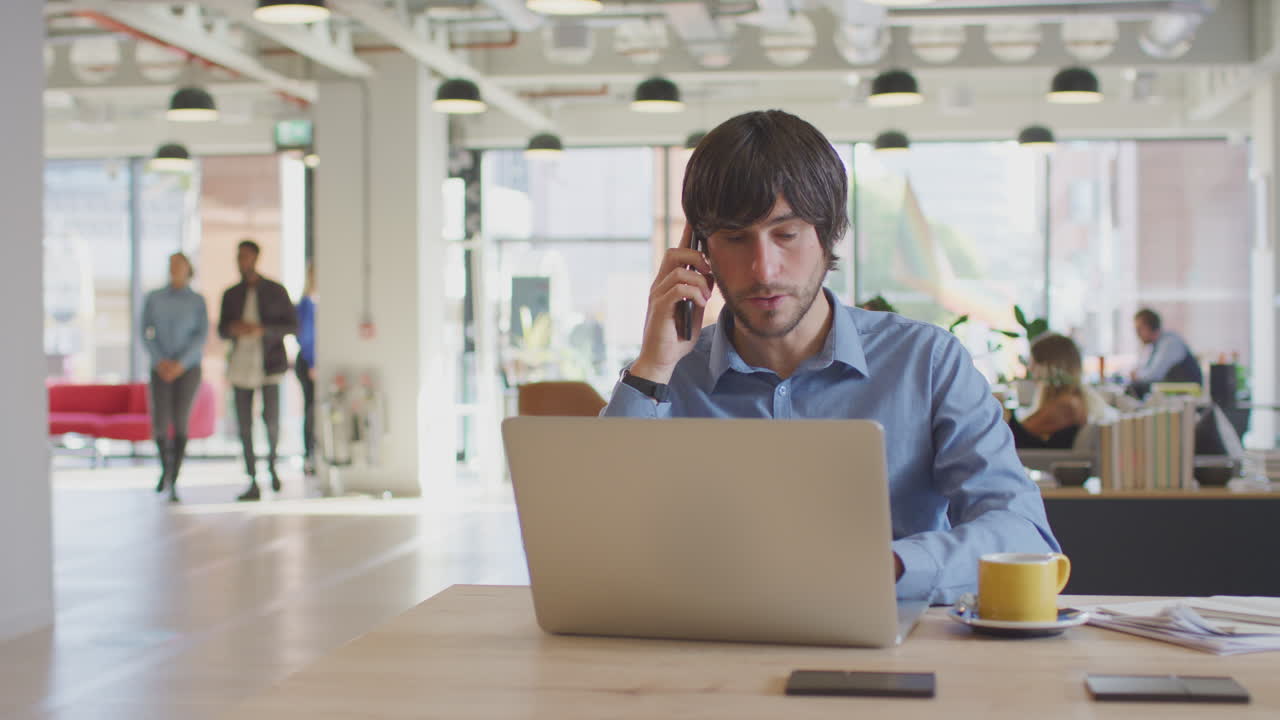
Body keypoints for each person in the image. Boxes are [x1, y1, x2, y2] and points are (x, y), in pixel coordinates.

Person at [602, 110, 1059, 605]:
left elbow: (1024, 535)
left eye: (786, 233)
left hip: (888, 643)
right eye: (735, 238)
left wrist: (887, 566)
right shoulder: (669, 376)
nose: (763, 268)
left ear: (829, 231)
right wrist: (651, 369)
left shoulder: (927, 362)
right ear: (699, 249)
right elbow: (596, 538)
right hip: (707, 647)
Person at [218, 239, 298, 501]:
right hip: (241, 364)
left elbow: (292, 326)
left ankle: (272, 466)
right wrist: (234, 329)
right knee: (244, 424)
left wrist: (264, 330)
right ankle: (252, 477)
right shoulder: (231, 294)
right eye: (239, 257)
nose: (242, 262)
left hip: (269, 364)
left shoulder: (276, 291)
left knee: (271, 420)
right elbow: (221, 329)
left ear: (256, 258)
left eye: (246, 257)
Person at [140, 252, 208, 503]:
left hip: (187, 369)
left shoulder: (197, 301)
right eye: (171, 265)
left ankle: (174, 477)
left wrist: (180, 364)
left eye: (179, 265)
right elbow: (145, 333)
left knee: (180, 420)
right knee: (160, 421)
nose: (174, 269)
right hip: (160, 367)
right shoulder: (154, 298)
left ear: (188, 269)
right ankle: (164, 470)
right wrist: (160, 361)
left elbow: (201, 337)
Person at [1009, 333, 1117, 449]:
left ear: (1048, 366)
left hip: (1041, 463)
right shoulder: (1072, 399)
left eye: (1034, 362)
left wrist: (1005, 415)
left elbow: (1016, 437)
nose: (1030, 369)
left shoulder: (1065, 406)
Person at [1131, 308, 1202, 388]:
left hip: (1185, 393)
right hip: (1173, 391)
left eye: (1139, 329)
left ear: (1150, 327)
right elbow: (1145, 368)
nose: (1137, 334)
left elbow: (1155, 374)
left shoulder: (1169, 343)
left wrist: (1137, 376)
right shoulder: (1156, 344)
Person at [295, 263, 317, 475]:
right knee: (311, 411)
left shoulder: (316, 302)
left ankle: (312, 455)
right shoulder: (306, 303)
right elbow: (306, 336)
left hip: (314, 363)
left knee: (313, 410)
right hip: (309, 364)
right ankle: (309, 456)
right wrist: (312, 363)